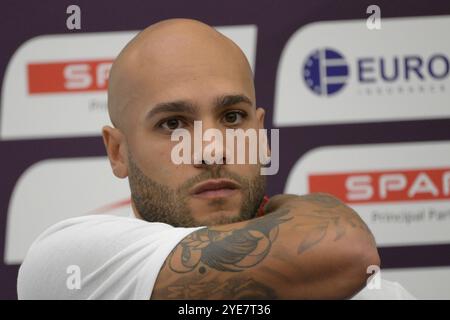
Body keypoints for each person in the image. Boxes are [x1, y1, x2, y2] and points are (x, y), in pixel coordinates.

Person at [17, 18, 413, 300]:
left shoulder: (381, 296)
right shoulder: (73, 266)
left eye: (232, 117)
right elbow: (346, 251)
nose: (212, 149)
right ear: (117, 152)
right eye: (173, 123)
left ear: (260, 133)